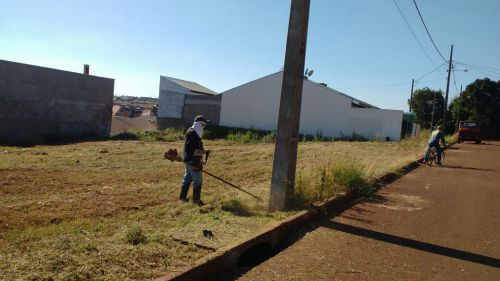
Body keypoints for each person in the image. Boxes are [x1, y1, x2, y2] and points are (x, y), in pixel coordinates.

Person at [179, 115, 210, 205]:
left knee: (187, 179)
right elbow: (192, 151)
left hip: (188, 160)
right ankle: (196, 201)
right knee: (198, 180)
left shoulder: (192, 132)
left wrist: (203, 152)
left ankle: (182, 198)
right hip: (193, 161)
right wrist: (205, 152)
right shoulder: (192, 134)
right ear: (200, 124)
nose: (204, 127)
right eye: (203, 125)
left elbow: (194, 149)